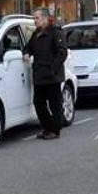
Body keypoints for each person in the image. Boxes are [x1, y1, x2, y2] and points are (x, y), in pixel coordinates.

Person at [26, 8, 69, 139]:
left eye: (37, 18)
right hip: (39, 75)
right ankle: (47, 127)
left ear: (45, 19)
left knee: (55, 104)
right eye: (34, 18)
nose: (35, 21)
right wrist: (26, 53)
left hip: (52, 77)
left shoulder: (55, 32)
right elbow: (28, 47)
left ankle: (55, 130)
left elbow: (62, 52)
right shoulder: (36, 34)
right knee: (38, 103)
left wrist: (52, 69)